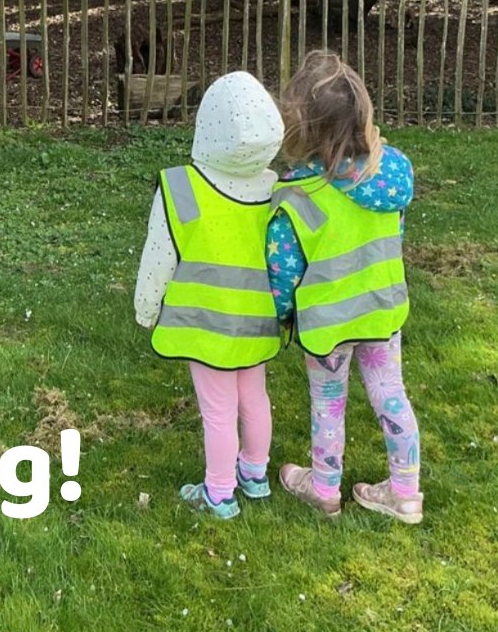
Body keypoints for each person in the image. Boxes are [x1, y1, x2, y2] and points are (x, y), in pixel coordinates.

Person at [269, 51, 422, 523]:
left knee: (328, 401)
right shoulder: (393, 175)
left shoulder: (297, 197)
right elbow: (393, 233)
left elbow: (283, 270)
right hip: (380, 309)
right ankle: (405, 493)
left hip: (328, 321)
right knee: (389, 391)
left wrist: (281, 314)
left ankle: (324, 487)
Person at [134, 72, 285, 519]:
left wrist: (148, 308)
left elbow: (158, 255)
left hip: (204, 325)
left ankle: (219, 493)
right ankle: (255, 475)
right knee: (253, 396)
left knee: (218, 410)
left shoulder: (181, 187)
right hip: (258, 319)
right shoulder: (276, 191)